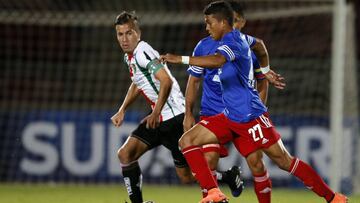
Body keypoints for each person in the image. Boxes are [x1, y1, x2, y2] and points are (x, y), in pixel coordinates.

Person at [160, 1, 348, 203]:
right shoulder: (242, 39)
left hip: (251, 117)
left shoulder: (233, 42)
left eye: (209, 23)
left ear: (223, 22)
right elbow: (260, 45)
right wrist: (266, 71)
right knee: (186, 141)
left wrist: (178, 58)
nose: (207, 27)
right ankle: (213, 192)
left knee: (284, 161)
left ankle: (333, 198)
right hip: (229, 116)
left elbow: (217, 61)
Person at [111, 11, 244, 203]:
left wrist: (155, 112)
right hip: (158, 118)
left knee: (187, 177)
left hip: (174, 118)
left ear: (138, 33)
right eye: (120, 34)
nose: (124, 39)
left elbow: (166, 82)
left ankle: (227, 177)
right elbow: (138, 82)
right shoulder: (129, 57)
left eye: (129, 33)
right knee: (125, 154)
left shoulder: (142, 51)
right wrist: (122, 109)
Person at [184, 0, 283, 202]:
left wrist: (259, 110)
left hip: (242, 115)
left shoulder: (244, 48)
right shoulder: (203, 47)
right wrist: (188, 113)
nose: (234, 25)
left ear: (242, 22)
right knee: (206, 162)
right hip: (213, 112)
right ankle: (223, 184)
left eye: (237, 21)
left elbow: (261, 81)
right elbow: (193, 81)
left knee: (256, 162)